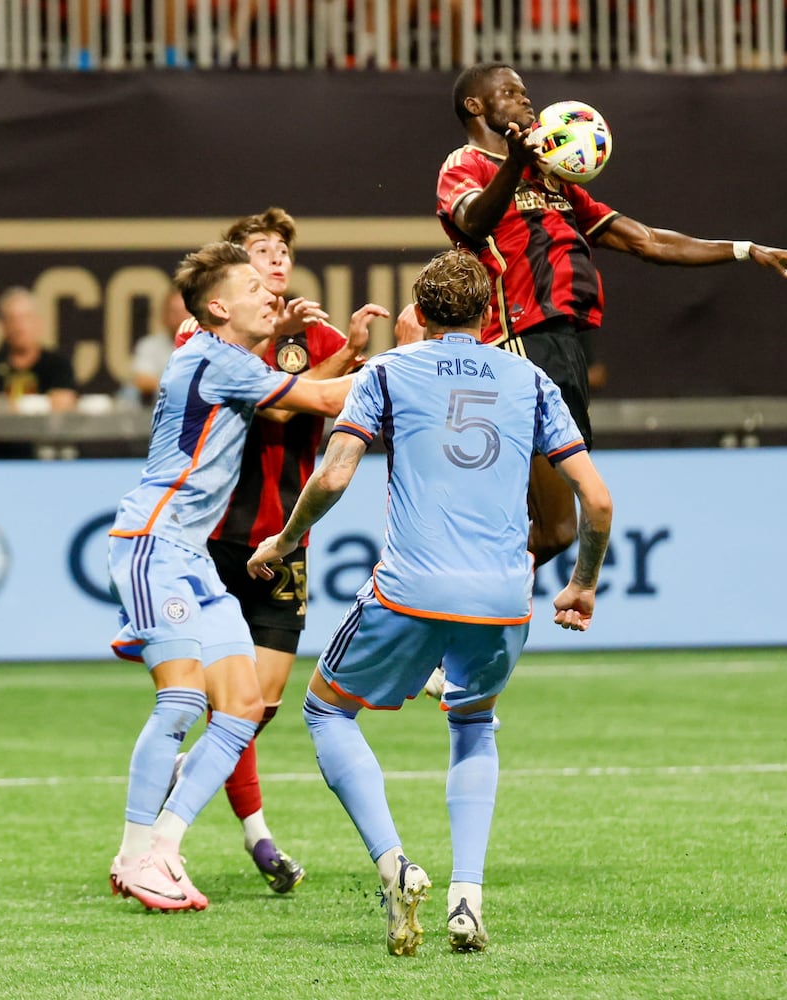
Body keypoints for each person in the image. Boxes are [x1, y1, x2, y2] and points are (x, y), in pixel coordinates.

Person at [246, 250, 612, 956]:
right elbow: (595, 500)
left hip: (410, 588)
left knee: (327, 709)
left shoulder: (386, 371)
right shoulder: (530, 378)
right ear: (489, 314)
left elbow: (333, 476)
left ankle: (394, 866)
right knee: (475, 725)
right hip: (504, 596)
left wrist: (287, 540)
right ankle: (466, 900)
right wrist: (583, 583)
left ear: (420, 308)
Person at [436, 62, 787, 565]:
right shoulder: (466, 165)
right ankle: (451, 599)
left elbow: (647, 241)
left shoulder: (554, 182)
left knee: (553, 531)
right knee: (549, 528)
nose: (527, 101)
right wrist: (512, 163)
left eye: (526, 92)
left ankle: (461, 595)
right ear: (475, 106)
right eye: (510, 92)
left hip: (563, 348)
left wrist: (745, 249)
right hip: (517, 342)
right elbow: (472, 221)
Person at [104, 241, 362, 913]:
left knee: (243, 707)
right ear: (219, 306)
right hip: (151, 544)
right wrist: (419, 359)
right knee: (184, 701)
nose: (267, 292)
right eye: (252, 284)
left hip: (188, 556)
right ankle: (135, 857)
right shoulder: (218, 360)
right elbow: (326, 395)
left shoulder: (228, 359)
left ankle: (162, 847)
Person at [171, 206, 385, 894]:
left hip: (283, 541)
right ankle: (250, 835)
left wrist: (355, 352)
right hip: (213, 538)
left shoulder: (315, 331)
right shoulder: (203, 332)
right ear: (234, 269)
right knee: (225, 706)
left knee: (254, 709)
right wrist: (351, 359)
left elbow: (343, 404)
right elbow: (285, 405)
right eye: (262, 250)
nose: (277, 263)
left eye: (284, 251)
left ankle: (195, 779)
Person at [0, 288, 79, 411]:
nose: (19, 327)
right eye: (12, 319)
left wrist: (11, 406)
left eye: (25, 318)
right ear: (2, 325)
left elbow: (63, 403)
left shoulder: (57, 364)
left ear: (37, 322)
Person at [125, 290, 189, 407]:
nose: (180, 318)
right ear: (164, 316)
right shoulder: (149, 345)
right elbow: (143, 381)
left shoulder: (209, 346)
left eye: (185, 312)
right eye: (174, 312)